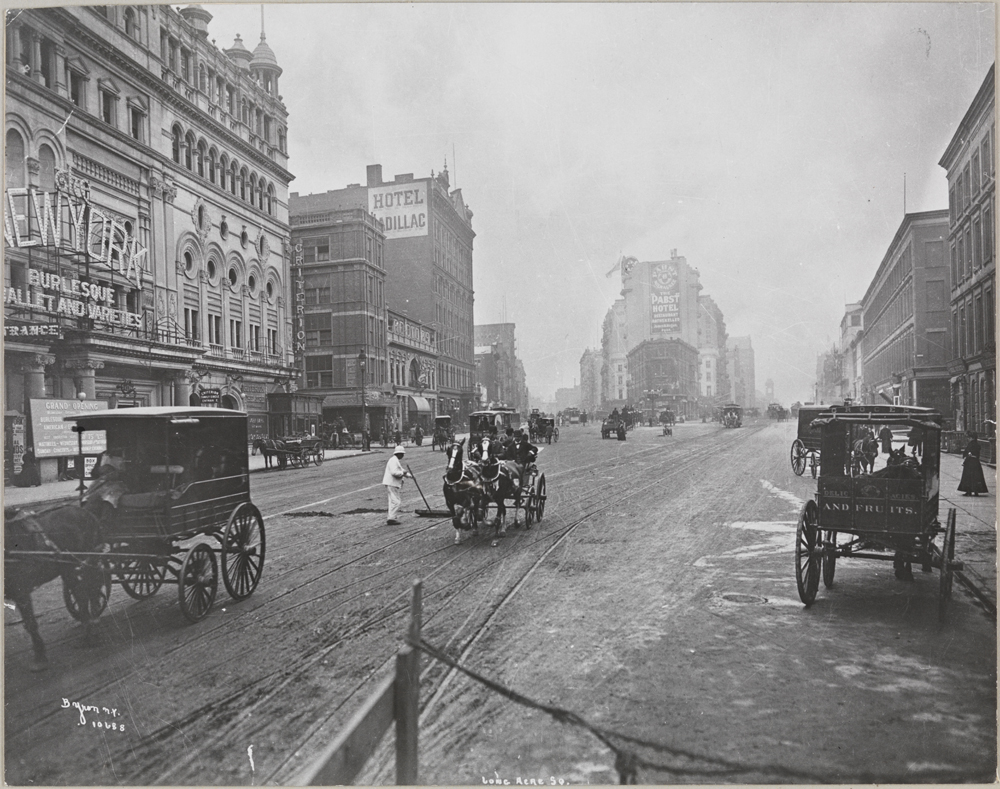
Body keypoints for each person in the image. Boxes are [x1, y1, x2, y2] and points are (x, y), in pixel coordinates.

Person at [381, 445, 412, 525]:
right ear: (399, 453)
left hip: (392, 483)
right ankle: (391, 518)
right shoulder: (393, 461)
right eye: (402, 454)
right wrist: (403, 473)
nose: (403, 456)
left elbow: (401, 470)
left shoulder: (395, 460)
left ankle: (391, 517)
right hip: (392, 483)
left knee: (392, 501)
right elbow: (395, 473)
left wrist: (410, 476)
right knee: (396, 502)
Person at [958, 432, 990, 496]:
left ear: (971, 437)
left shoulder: (970, 444)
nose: (968, 439)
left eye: (969, 437)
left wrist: (966, 456)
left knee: (968, 477)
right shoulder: (977, 444)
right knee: (976, 477)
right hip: (976, 462)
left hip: (970, 462)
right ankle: (976, 491)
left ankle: (968, 491)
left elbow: (967, 452)